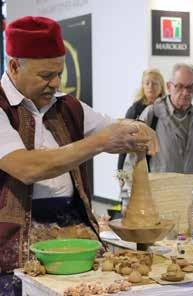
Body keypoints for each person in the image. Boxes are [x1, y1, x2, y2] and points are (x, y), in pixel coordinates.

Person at [0, 16, 158, 295]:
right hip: (16, 250)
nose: (55, 83)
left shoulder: (67, 106)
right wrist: (98, 142)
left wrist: (139, 129)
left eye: (59, 73)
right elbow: (27, 168)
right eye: (45, 75)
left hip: (75, 240)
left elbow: (115, 128)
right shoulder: (2, 108)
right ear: (14, 66)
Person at [137, 63, 193, 191]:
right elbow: (134, 157)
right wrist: (128, 198)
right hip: (159, 198)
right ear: (169, 86)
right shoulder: (152, 114)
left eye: (190, 87)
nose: (185, 92)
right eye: (179, 87)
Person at [117, 68, 166, 170]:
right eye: (147, 83)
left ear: (161, 87)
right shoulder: (134, 110)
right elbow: (124, 141)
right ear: (142, 86)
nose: (150, 87)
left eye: (155, 83)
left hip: (163, 163)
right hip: (139, 162)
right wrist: (121, 171)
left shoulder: (168, 109)